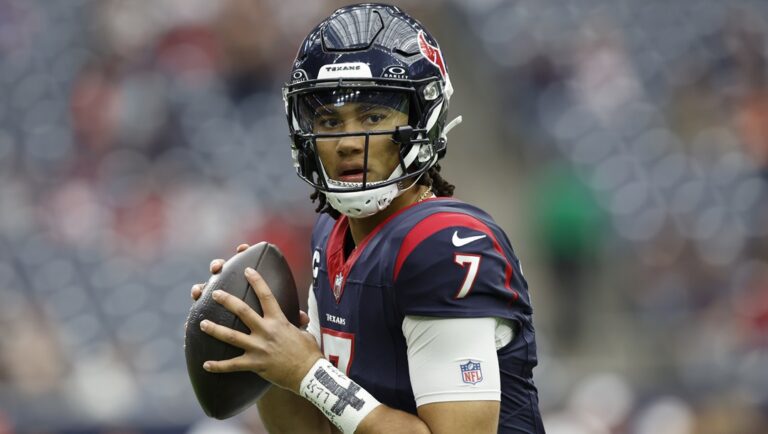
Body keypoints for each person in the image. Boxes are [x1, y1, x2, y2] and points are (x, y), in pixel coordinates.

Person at [189, 3, 544, 433]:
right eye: (328, 121)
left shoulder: (444, 245)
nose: (347, 142)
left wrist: (309, 373)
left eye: (373, 117)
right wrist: (267, 350)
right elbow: (311, 431)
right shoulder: (330, 233)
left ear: (423, 118)